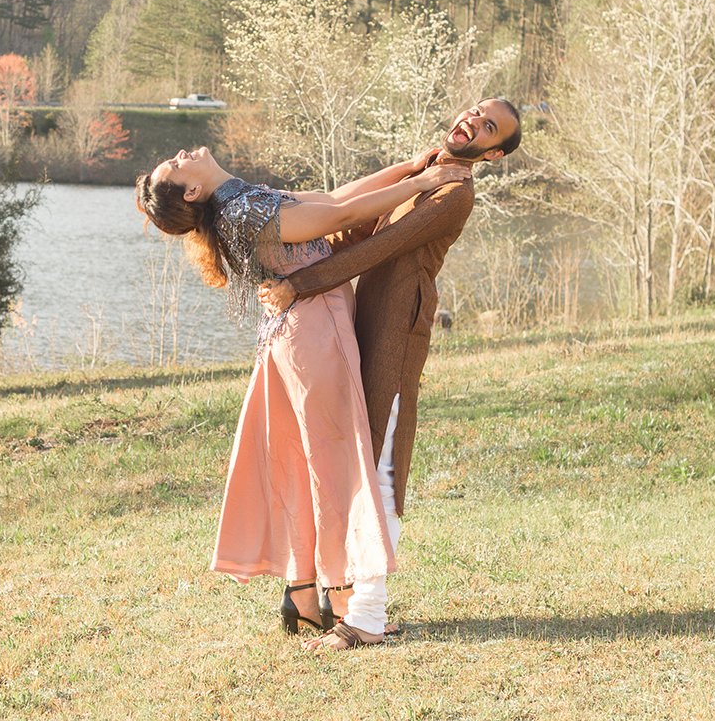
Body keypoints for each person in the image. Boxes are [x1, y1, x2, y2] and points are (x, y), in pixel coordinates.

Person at [136, 145, 471, 652]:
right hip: (314, 333)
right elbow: (343, 215)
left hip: (294, 335)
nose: (182, 153)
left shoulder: (241, 198)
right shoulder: (243, 209)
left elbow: (336, 196)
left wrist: (412, 165)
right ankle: (341, 602)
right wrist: (423, 186)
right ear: (191, 190)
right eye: (176, 164)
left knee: (304, 460)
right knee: (334, 465)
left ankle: (302, 591)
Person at [257, 98, 521, 641]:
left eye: (488, 127)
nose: (473, 120)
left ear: (492, 154)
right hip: (361, 320)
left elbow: (381, 247)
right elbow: (354, 228)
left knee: (381, 468)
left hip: (396, 335)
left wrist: (299, 286)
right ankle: (332, 596)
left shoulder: (455, 193)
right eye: (476, 111)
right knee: (351, 458)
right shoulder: (426, 172)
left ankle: (368, 616)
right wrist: (292, 253)